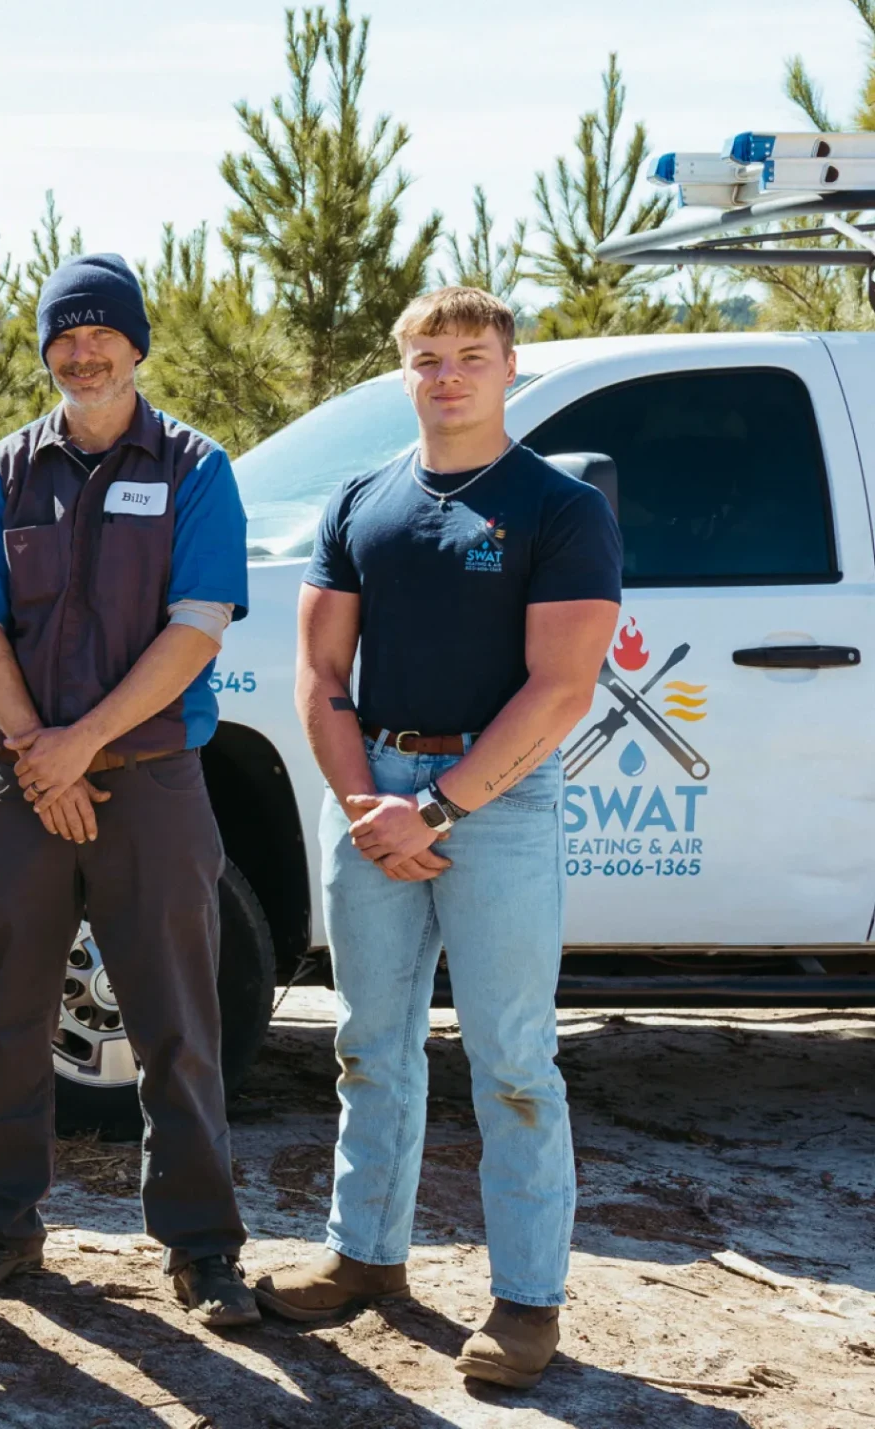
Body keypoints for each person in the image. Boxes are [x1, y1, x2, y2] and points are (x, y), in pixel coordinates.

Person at [253, 286, 619, 1391]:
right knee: (370, 1043)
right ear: (402, 370)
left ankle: (527, 1301)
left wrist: (440, 808)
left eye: (469, 354)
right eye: (426, 357)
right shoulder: (360, 501)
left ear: (509, 367)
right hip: (370, 790)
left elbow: (560, 689)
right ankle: (364, 1255)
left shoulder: (560, 508)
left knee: (512, 1059)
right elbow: (320, 674)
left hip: (494, 800)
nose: (447, 375)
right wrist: (369, 801)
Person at [0, 254, 256, 1323]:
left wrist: (82, 745)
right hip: (23, 782)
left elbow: (196, 626)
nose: (82, 353)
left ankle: (203, 1250)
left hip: (152, 782)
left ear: (136, 345)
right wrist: (39, 751)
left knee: (177, 1024)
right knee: (6, 1017)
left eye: (100, 334)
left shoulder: (196, 468)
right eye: (63, 337)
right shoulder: (2, 472)